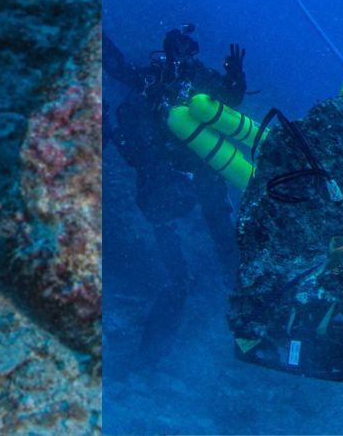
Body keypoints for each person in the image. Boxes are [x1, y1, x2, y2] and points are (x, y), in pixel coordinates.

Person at [103, 24, 247, 350]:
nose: (183, 55)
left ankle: (245, 307)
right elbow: (116, 66)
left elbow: (232, 98)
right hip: (165, 180)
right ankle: (153, 350)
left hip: (198, 172)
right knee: (180, 272)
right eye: (177, 47)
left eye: (188, 48)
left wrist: (237, 75)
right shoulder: (152, 79)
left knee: (224, 245)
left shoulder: (201, 79)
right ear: (167, 49)